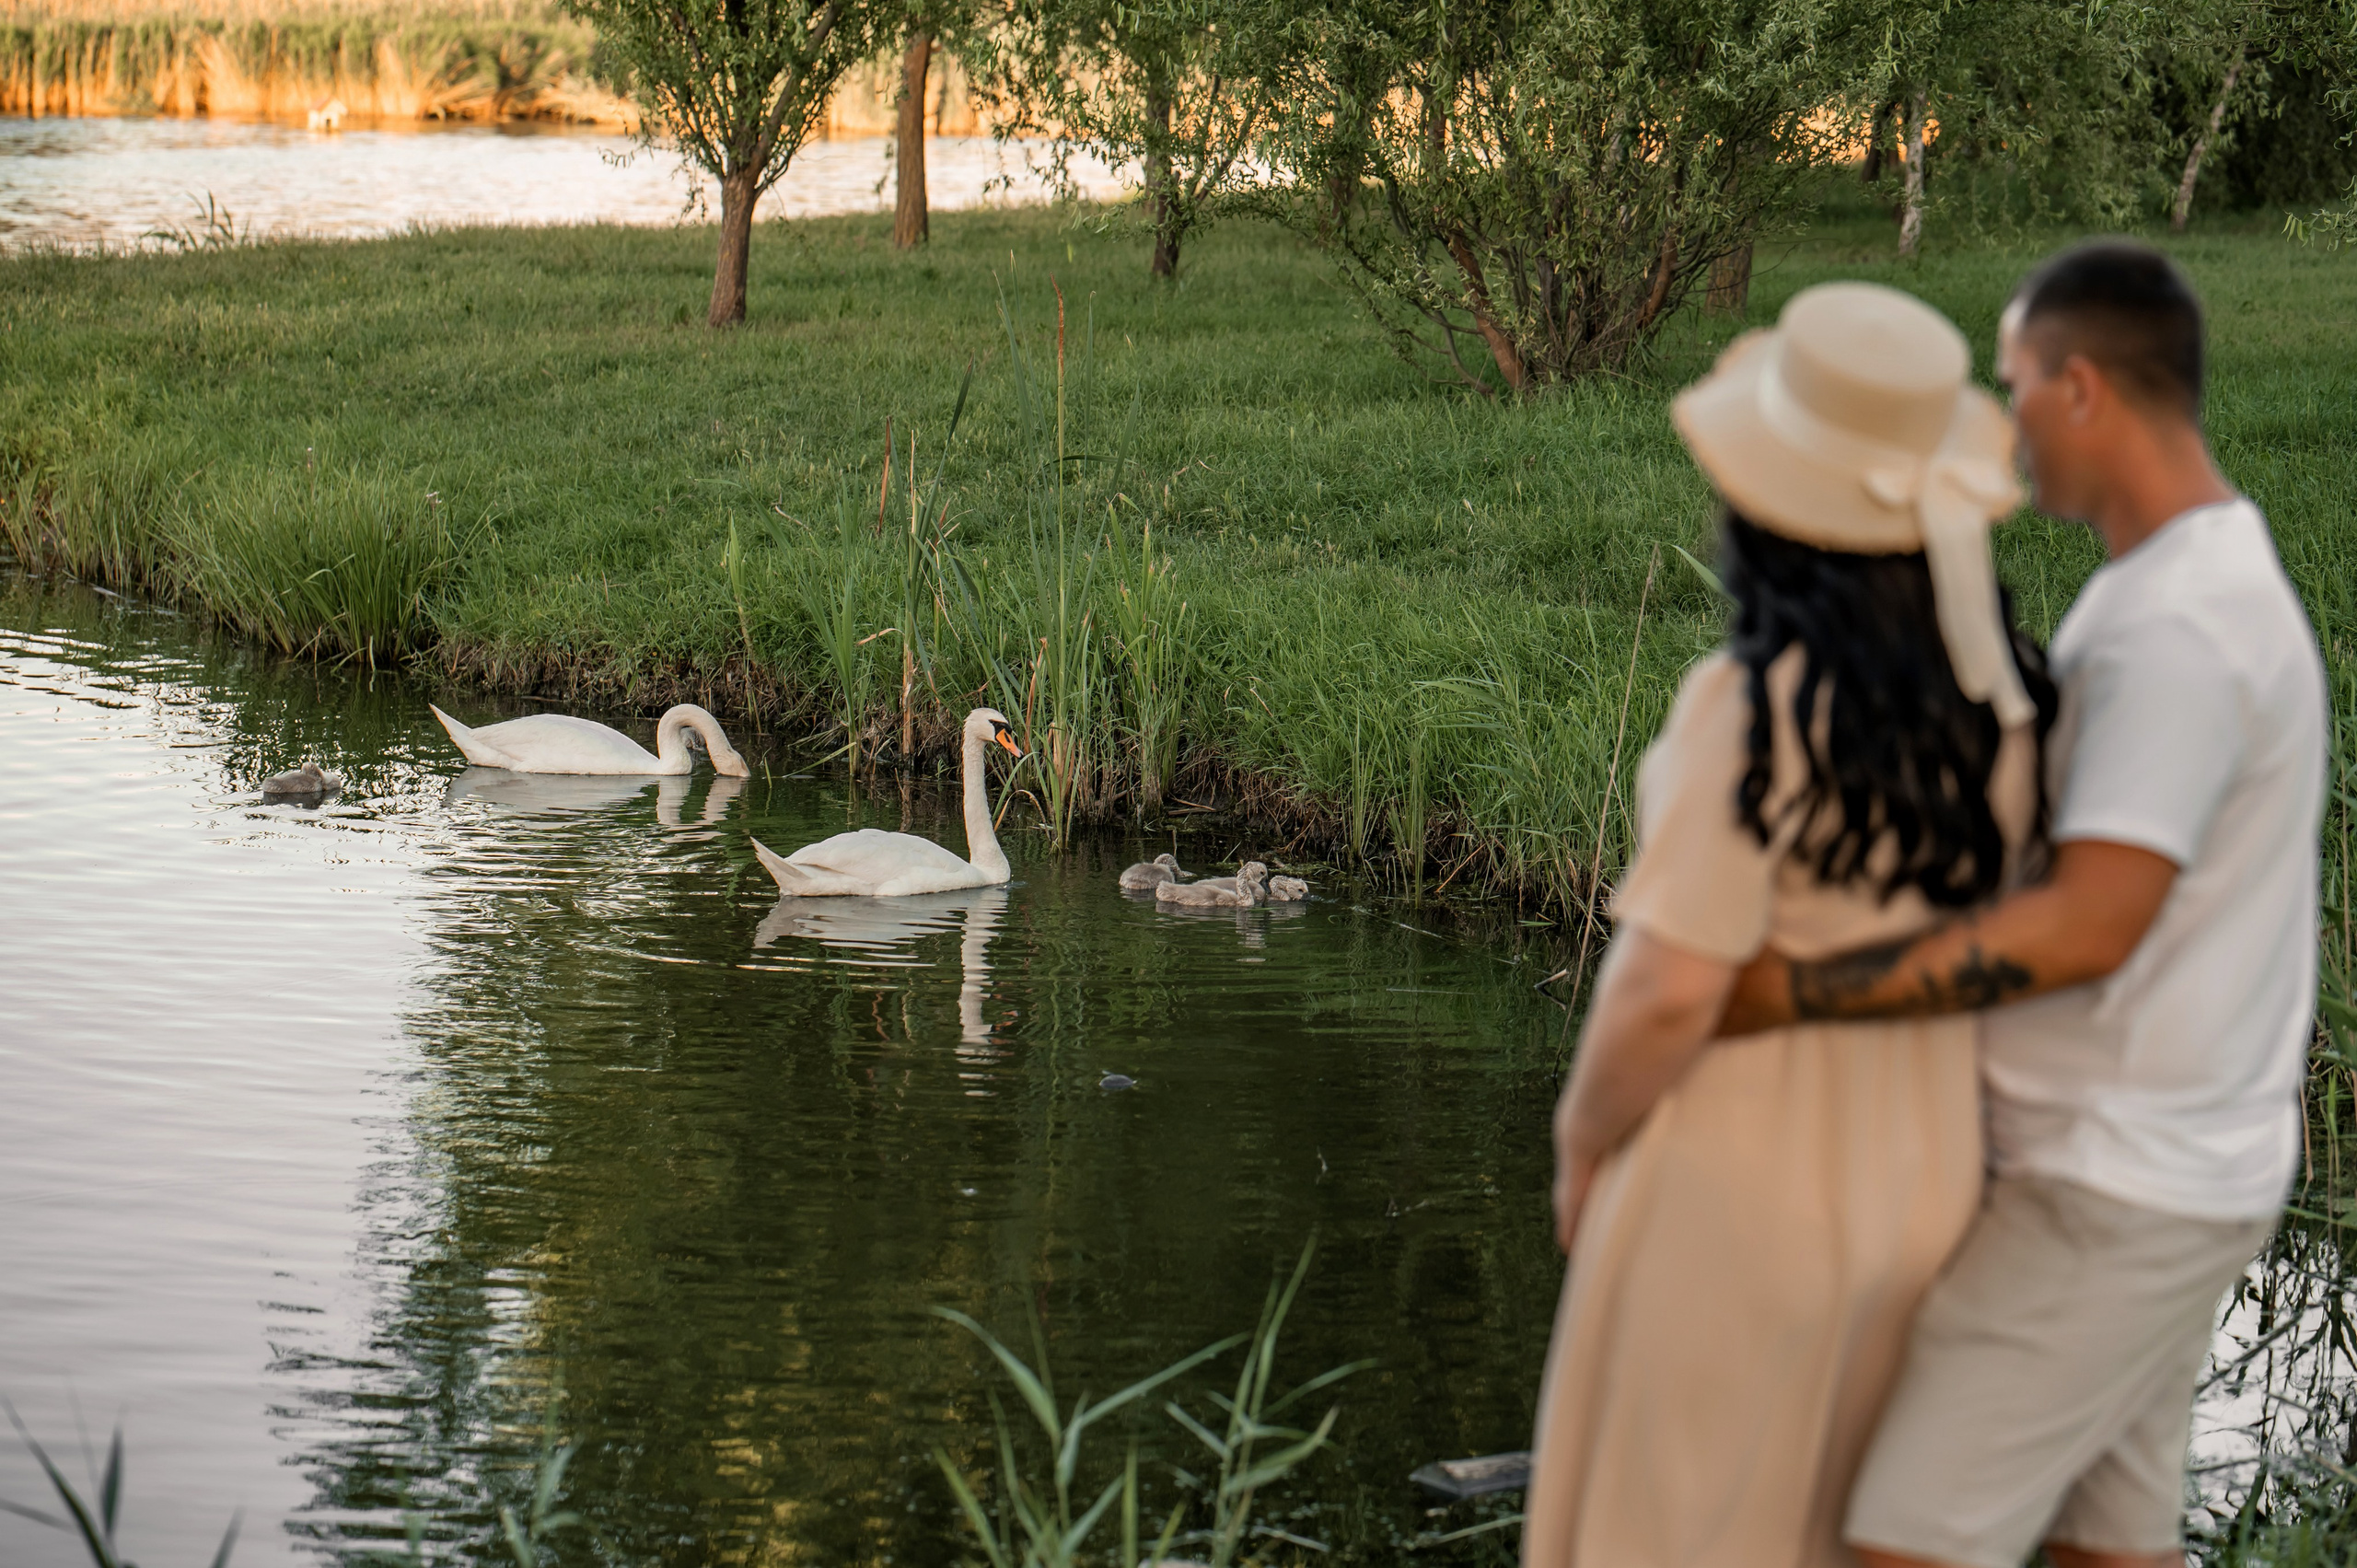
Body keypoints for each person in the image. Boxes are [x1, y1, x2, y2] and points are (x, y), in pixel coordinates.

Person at [1719, 240, 2328, 1568]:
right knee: (2105, 1553)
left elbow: (2086, 924)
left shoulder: (2182, 630)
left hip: (2109, 1187)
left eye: (2013, 385)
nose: (1997, 425)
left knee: (1894, 1547)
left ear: (2086, 389)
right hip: (2169, 1168)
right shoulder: (2171, 582)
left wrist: (1787, 994)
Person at [1523, 279, 2056, 1565]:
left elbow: (1666, 991)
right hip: (1925, 1184)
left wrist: (1581, 1142)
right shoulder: (2009, 711)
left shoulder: (1751, 712)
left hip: (1739, 1189)